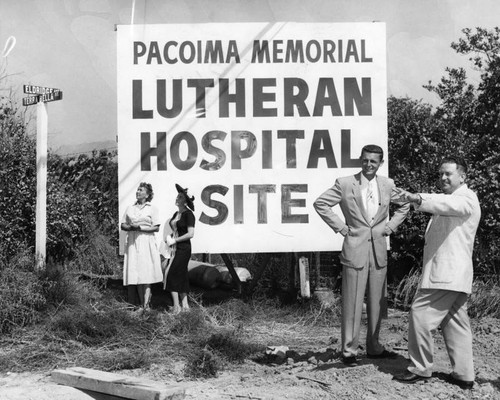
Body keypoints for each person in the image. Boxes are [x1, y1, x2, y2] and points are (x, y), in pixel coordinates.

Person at [314, 144, 410, 366]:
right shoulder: (345, 183)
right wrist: (341, 227)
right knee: (352, 302)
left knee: (378, 302)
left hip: (378, 251)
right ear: (361, 160)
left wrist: (390, 226)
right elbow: (321, 203)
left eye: (373, 161)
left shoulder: (387, 185)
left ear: (380, 163)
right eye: (365, 160)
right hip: (354, 250)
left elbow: (404, 205)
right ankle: (349, 351)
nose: (368, 165)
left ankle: (375, 348)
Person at [393, 156, 480, 389]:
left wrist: (417, 198)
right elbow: (444, 204)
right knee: (455, 323)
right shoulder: (455, 199)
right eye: (440, 173)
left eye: (448, 174)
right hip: (456, 277)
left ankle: (420, 368)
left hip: (446, 275)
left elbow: (446, 204)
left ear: (463, 176)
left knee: (420, 315)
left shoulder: (466, 199)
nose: (442, 177)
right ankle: (464, 375)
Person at [120, 182, 163, 312]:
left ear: (147, 194)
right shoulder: (130, 208)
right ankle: (139, 305)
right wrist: (130, 227)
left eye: (141, 190)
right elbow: (123, 225)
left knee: (146, 272)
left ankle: (146, 305)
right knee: (136, 271)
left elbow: (156, 227)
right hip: (133, 242)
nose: (138, 192)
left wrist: (140, 227)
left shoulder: (152, 208)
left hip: (146, 241)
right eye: (137, 190)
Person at [163, 184, 196, 314]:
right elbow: (176, 230)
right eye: (177, 196)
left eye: (180, 197)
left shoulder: (189, 215)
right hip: (174, 248)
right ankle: (185, 306)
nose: (177, 198)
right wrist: (169, 238)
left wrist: (175, 240)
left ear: (186, 201)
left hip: (183, 249)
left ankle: (176, 307)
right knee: (181, 275)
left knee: (170, 274)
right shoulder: (176, 213)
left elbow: (190, 234)